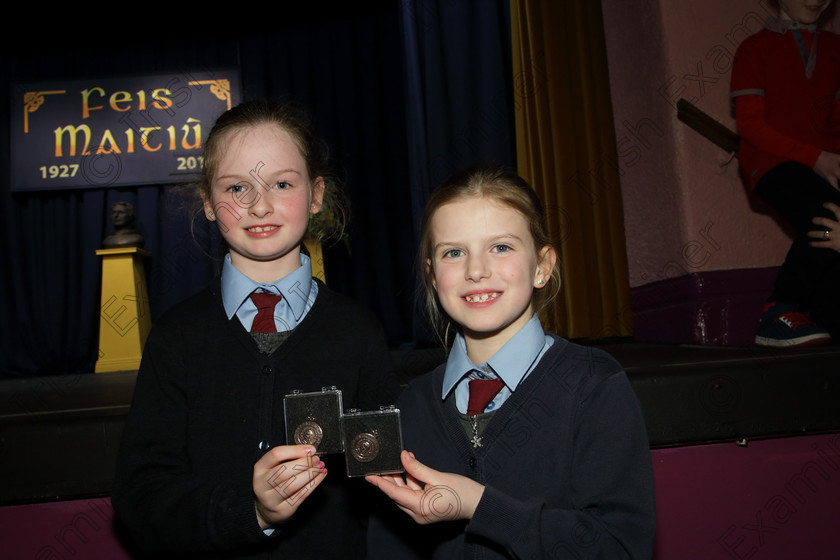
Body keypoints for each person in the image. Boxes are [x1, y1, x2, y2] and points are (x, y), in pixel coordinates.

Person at [111, 100, 399, 559]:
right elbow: (142, 495)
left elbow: (383, 490)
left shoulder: (357, 332)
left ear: (316, 193)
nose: (260, 205)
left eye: (281, 183)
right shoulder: (177, 337)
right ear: (208, 202)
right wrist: (254, 513)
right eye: (238, 187)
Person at [365, 165, 656, 559]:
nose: (476, 270)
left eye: (500, 247)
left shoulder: (592, 384)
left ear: (542, 266)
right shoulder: (412, 405)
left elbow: (619, 547)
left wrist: (481, 507)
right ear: (433, 277)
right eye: (454, 252)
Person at [731, 0, 840, 347]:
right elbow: (750, 124)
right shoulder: (754, 48)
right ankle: (777, 308)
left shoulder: (836, 48)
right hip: (771, 163)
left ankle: (824, 323)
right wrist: (816, 157)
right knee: (827, 210)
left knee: (830, 234)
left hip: (827, 165)